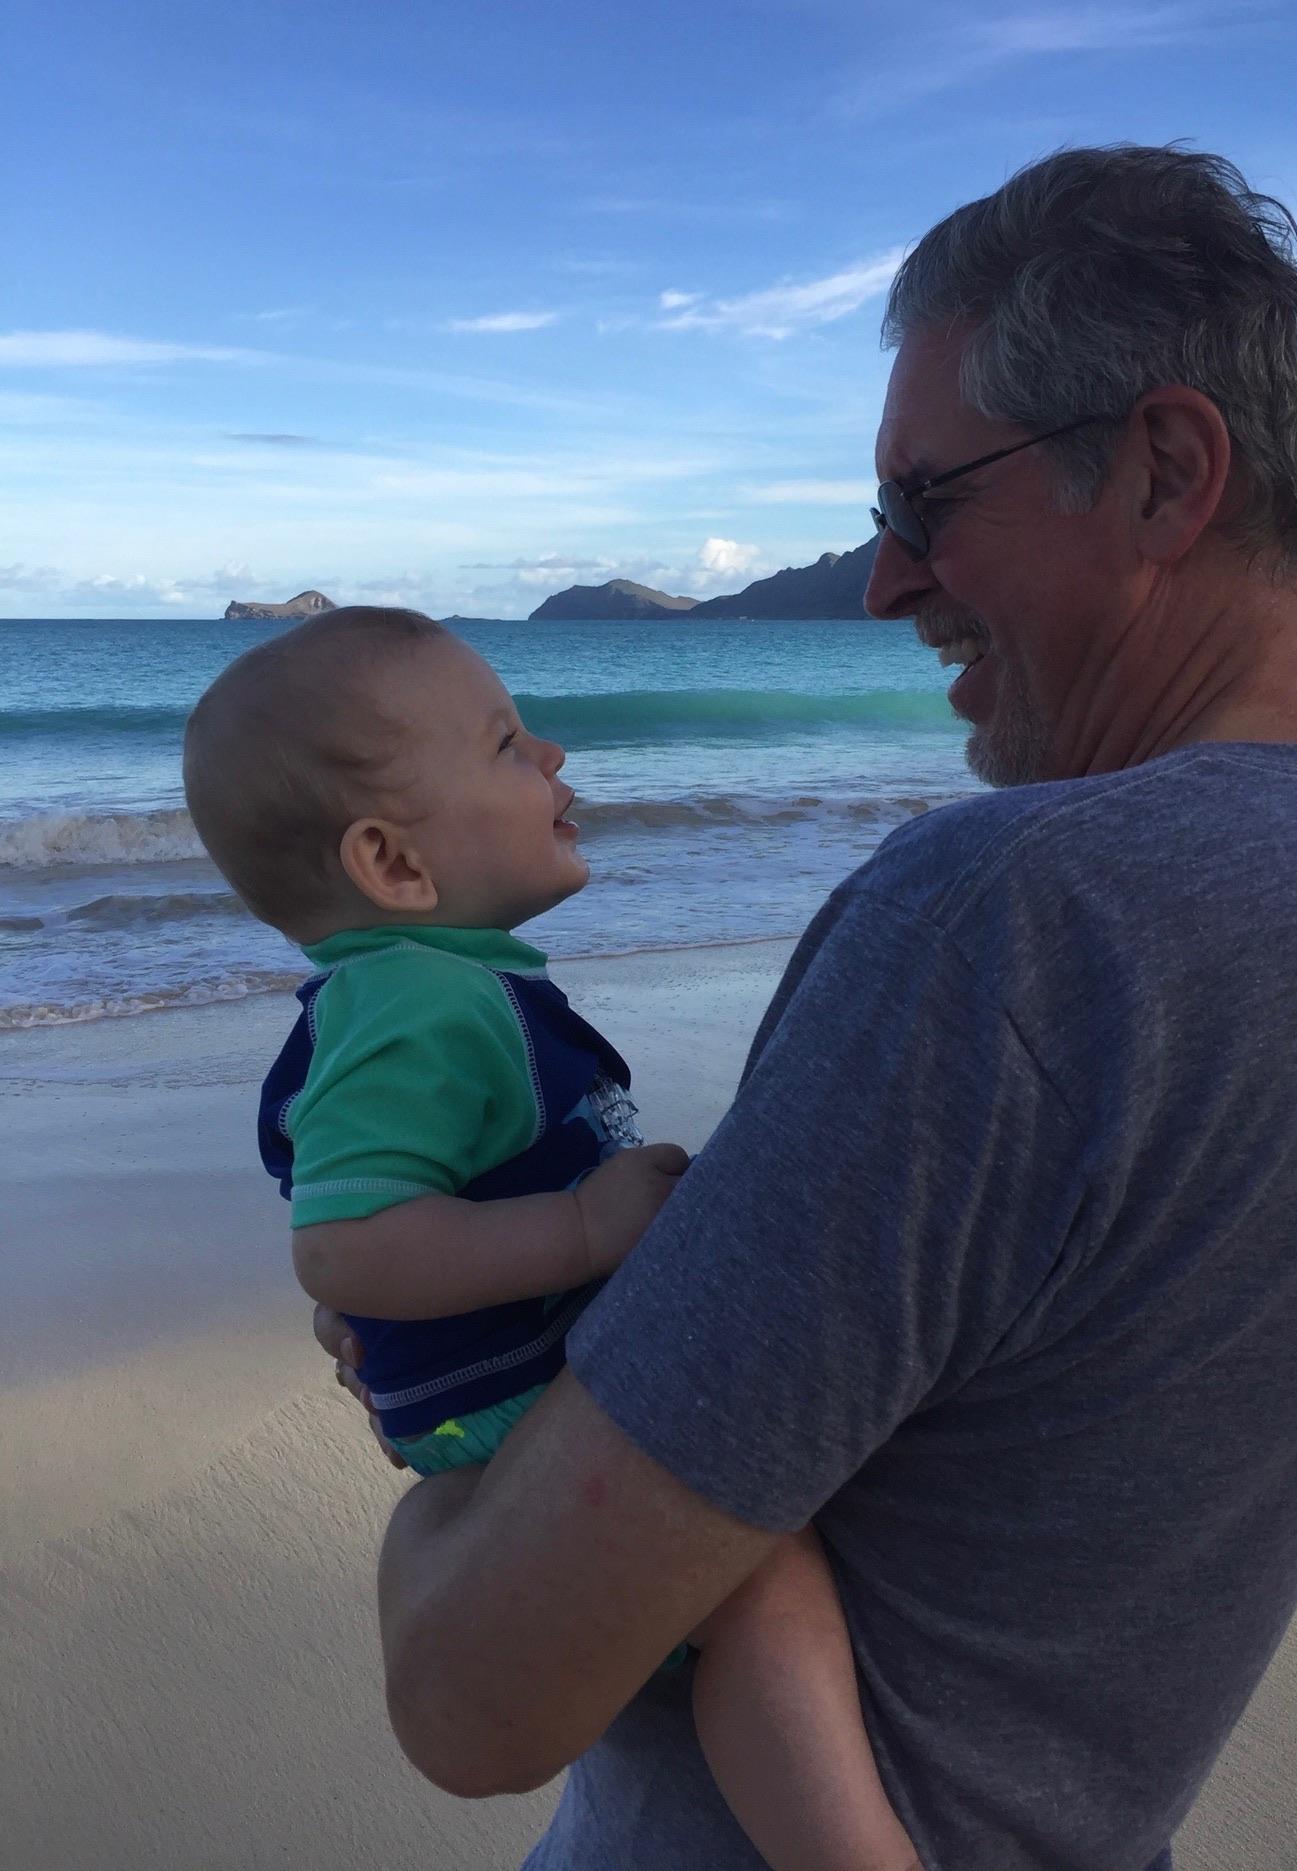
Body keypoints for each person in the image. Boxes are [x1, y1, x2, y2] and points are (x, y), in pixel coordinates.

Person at [320, 147, 1297, 1870]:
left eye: (928, 501)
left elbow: (474, 1696)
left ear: (1164, 473)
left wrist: (429, 1461)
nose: (882, 583)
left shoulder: (1005, 926)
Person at [181, 608, 920, 1871]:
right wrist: (581, 1224)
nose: (556, 756)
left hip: (508, 1374)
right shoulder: (417, 1001)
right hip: (505, 1393)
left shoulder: (444, 982)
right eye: (508, 743)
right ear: (394, 863)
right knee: (765, 1576)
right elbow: (345, 1244)